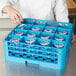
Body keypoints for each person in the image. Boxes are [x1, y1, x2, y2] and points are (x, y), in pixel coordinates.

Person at [0, 0, 74, 43]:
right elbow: (4, 2)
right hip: (26, 29)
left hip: (48, 31)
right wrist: (7, 8)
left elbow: (61, 12)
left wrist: (66, 30)